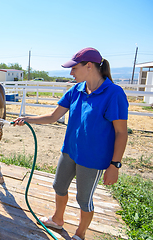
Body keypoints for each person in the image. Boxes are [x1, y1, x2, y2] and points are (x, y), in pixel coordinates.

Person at [13, 47, 128, 240]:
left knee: (84, 199)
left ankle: (80, 234)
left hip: (93, 158)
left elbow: (121, 132)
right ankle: (58, 219)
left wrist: (115, 164)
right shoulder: (76, 90)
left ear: (89, 66)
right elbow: (52, 116)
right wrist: (27, 118)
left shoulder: (114, 94)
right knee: (59, 186)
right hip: (70, 152)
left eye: (74, 68)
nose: (71, 72)